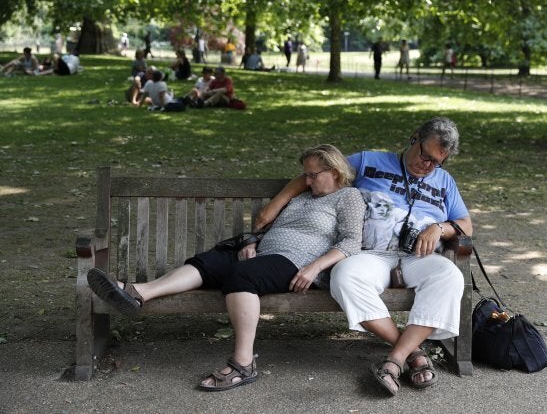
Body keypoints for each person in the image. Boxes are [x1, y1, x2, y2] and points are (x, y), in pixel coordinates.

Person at [86, 144, 366, 391]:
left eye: (312, 175)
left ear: (335, 172)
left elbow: (352, 241)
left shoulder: (349, 197)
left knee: (241, 276)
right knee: (210, 262)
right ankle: (136, 293)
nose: (305, 180)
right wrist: (254, 241)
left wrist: (314, 267)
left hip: (297, 263)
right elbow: (278, 227)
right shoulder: (302, 197)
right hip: (265, 254)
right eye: (305, 174)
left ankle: (244, 364)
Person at [256, 117, 472, 396]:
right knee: (344, 276)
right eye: (425, 156)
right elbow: (316, 172)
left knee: (450, 276)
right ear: (414, 138)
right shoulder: (369, 161)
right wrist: (274, 207)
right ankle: (412, 353)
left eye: (437, 162)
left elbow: (465, 224)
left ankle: (394, 360)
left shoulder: (444, 182)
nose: (428, 166)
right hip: (371, 253)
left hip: (419, 256)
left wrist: (439, 227)